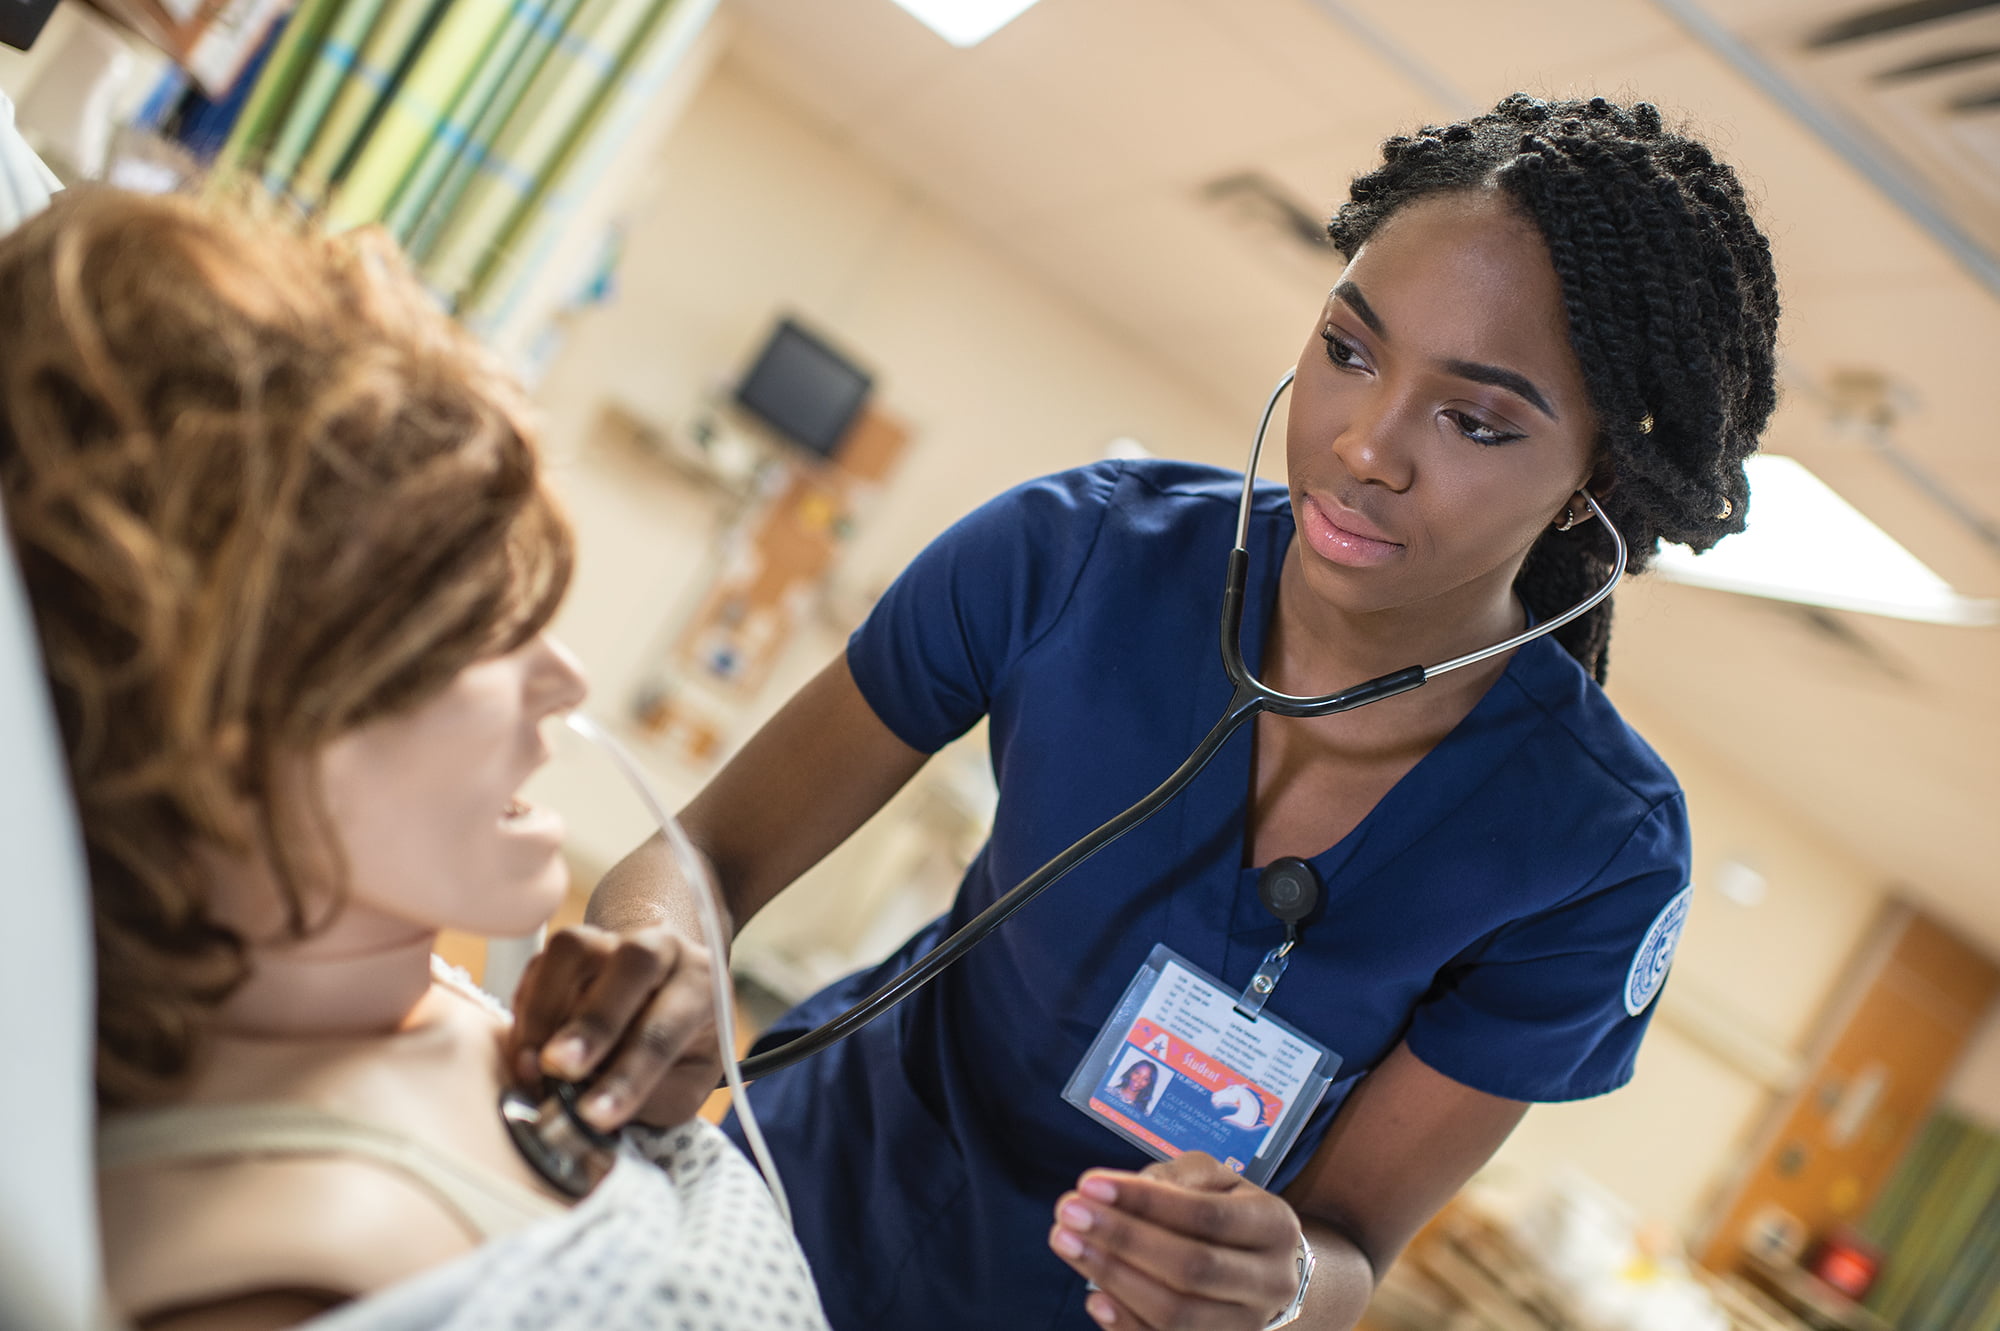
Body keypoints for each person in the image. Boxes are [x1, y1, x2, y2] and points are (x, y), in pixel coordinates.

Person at [554, 92, 1780, 1330]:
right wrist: (659, 958)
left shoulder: (1592, 855)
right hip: (795, 1194)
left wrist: (1280, 1279)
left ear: (1595, 482)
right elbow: (707, 851)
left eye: (1472, 419)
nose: (1364, 443)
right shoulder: (1075, 551)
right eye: (1347, 350)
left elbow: (1350, 1237)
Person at [0, 189, 825, 1331]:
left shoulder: (435, 999)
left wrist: (650, 1074)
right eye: (476, 634)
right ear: (234, 737)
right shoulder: (269, 1266)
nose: (565, 682)